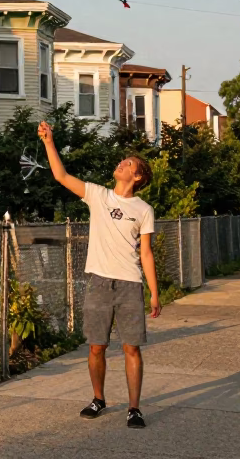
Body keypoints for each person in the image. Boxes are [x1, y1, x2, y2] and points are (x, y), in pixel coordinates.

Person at [37, 121, 160, 429]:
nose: (121, 164)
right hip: (99, 281)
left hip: (130, 284)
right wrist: (49, 143)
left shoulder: (144, 210)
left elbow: (145, 252)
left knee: (131, 347)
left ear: (138, 175)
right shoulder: (98, 196)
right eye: (122, 161)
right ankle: (98, 399)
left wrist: (154, 293)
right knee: (96, 346)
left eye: (128, 163)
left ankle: (134, 408)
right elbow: (61, 176)